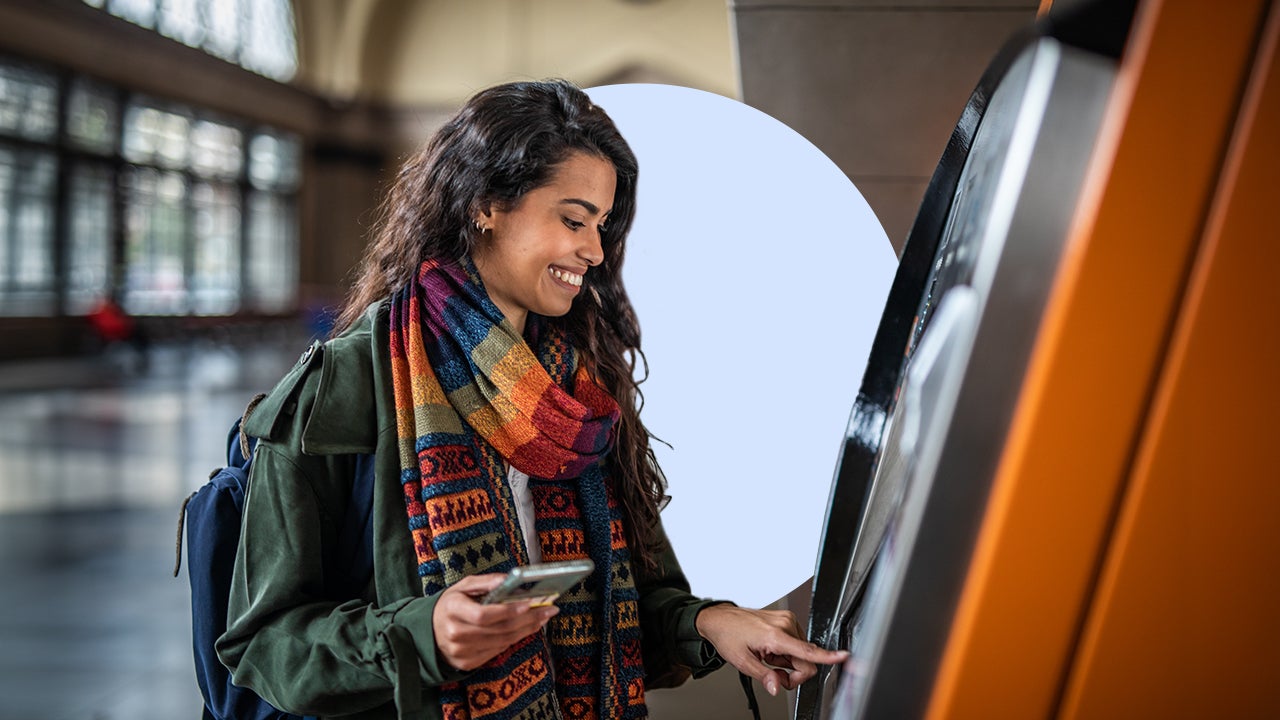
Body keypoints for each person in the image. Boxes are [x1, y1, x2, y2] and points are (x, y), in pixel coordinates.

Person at [217, 79, 846, 720]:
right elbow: (263, 643)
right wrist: (423, 635)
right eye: (573, 220)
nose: (594, 251)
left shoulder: (581, 392)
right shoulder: (346, 383)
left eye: (601, 225)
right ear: (485, 205)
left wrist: (709, 623)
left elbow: (625, 607)